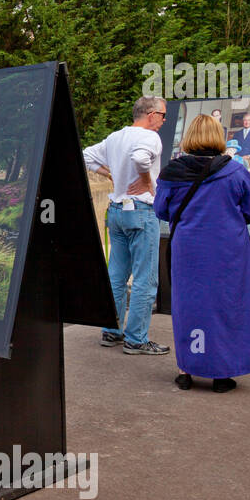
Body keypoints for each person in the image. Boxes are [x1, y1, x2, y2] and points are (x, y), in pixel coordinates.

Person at [154, 113, 250, 392]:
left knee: (189, 306)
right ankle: (220, 373)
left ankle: (186, 370)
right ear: (219, 137)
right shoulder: (236, 171)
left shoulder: (172, 172)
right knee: (225, 306)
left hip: (188, 249)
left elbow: (161, 211)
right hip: (227, 251)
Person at [82, 96, 171, 355]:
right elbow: (142, 160)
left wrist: (108, 173)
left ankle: (111, 331)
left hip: (116, 211)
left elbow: (86, 155)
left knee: (117, 275)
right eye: (162, 115)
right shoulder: (150, 138)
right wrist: (145, 180)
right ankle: (136, 339)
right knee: (145, 278)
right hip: (141, 211)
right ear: (151, 114)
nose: (164, 120)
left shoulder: (115, 137)